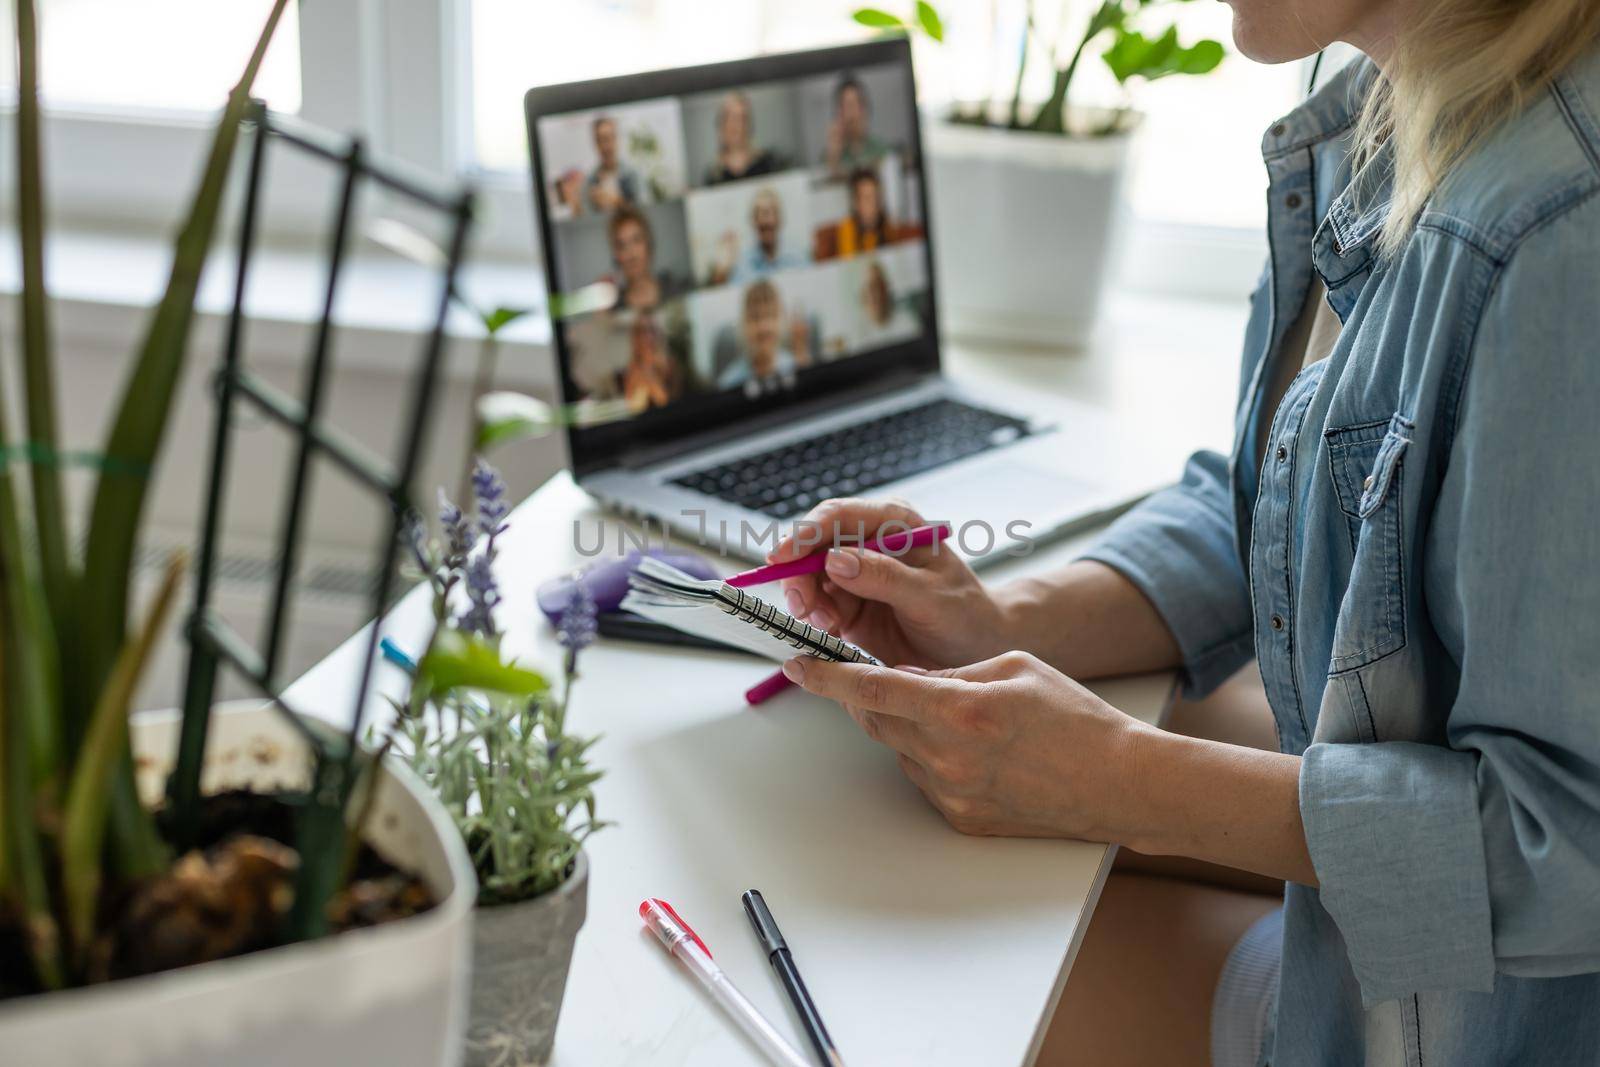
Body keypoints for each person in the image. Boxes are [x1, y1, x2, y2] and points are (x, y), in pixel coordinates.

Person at [767, 2, 1600, 1064]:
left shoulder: (1561, 229)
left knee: (937, 1001)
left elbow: (1566, 840)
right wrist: (1000, 617)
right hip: (1388, 953)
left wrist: (1118, 776)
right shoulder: (1388, 109)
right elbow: (1288, 492)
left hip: (1474, 1022)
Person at [716, 279, 812, 391]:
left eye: (771, 315)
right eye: (755, 317)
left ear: (783, 321)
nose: (764, 327)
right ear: (743, 325)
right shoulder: (727, 383)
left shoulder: (796, 366)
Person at [707, 185, 807, 286]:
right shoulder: (742, 264)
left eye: (770, 212)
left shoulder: (797, 257)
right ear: (753, 222)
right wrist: (721, 273)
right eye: (759, 214)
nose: (765, 220)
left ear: (780, 219)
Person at [814, 168, 915, 260]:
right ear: (856, 203)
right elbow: (852, 266)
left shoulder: (887, 226)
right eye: (867, 198)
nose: (874, 203)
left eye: (877, 196)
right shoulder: (847, 228)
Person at [603, 206, 681, 311]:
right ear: (616, 255)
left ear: (648, 244)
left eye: (637, 240)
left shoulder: (673, 288)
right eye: (622, 245)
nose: (631, 253)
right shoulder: (613, 307)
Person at [703, 90, 781, 185]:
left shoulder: (768, 162)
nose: (740, 126)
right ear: (722, 125)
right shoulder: (714, 175)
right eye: (734, 118)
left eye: (744, 118)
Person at [822, 73, 888, 179]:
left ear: (864, 109)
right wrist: (833, 155)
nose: (850, 114)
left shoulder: (879, 148)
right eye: (844, 106)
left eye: (853, 105)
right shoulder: (831, 154)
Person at [621, 312, 682, 413]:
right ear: (636, 338)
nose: (648, 337)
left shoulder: (671, 364)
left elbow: (673, 407)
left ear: (659, 333)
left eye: (652, 330)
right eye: (642, 331)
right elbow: (634, 409)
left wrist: (652, 380)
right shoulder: (633, 370)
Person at [855, 259, 920, 349]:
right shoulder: (869, 339)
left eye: (880, 284)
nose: (877, 294)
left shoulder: (911, 305)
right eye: (872, 287)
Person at [584, 115, 641, 212]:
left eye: (609, 138)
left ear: (616, 139)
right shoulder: (589, 181)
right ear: (595, 143)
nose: (606, 146)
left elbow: (643, 213)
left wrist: (617, 202)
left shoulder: (634, 174)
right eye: (600, 140)